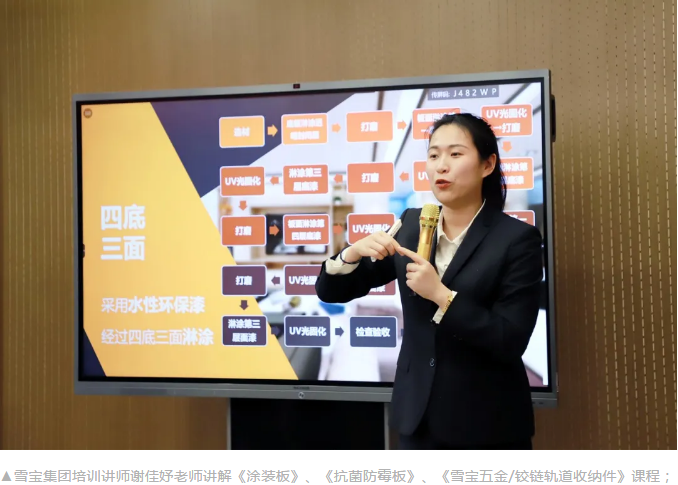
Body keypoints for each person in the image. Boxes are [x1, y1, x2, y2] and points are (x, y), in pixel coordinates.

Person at [315, 112, 543, 450]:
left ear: (487, 164)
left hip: (487, 422)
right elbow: (332, 291)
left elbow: (509, 339)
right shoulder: (412, 224)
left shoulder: (517, 239)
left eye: (455, 154)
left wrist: (442, 296)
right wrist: (351, 254)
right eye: (434, 155)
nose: (441, 166)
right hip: (417, 417)